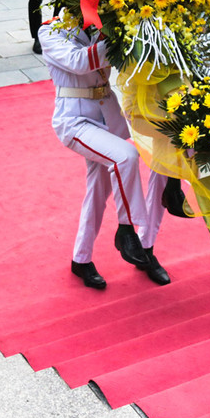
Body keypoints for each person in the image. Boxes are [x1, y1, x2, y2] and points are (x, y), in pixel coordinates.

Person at [38, 22, 170, 288]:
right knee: (126, 157)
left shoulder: (104, 24)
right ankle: (127, 230)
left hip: (108, 115)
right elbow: (79, 62)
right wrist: (121, 36)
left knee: (98, 191)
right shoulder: (50, 30)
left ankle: (82, 258)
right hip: (75, 120)